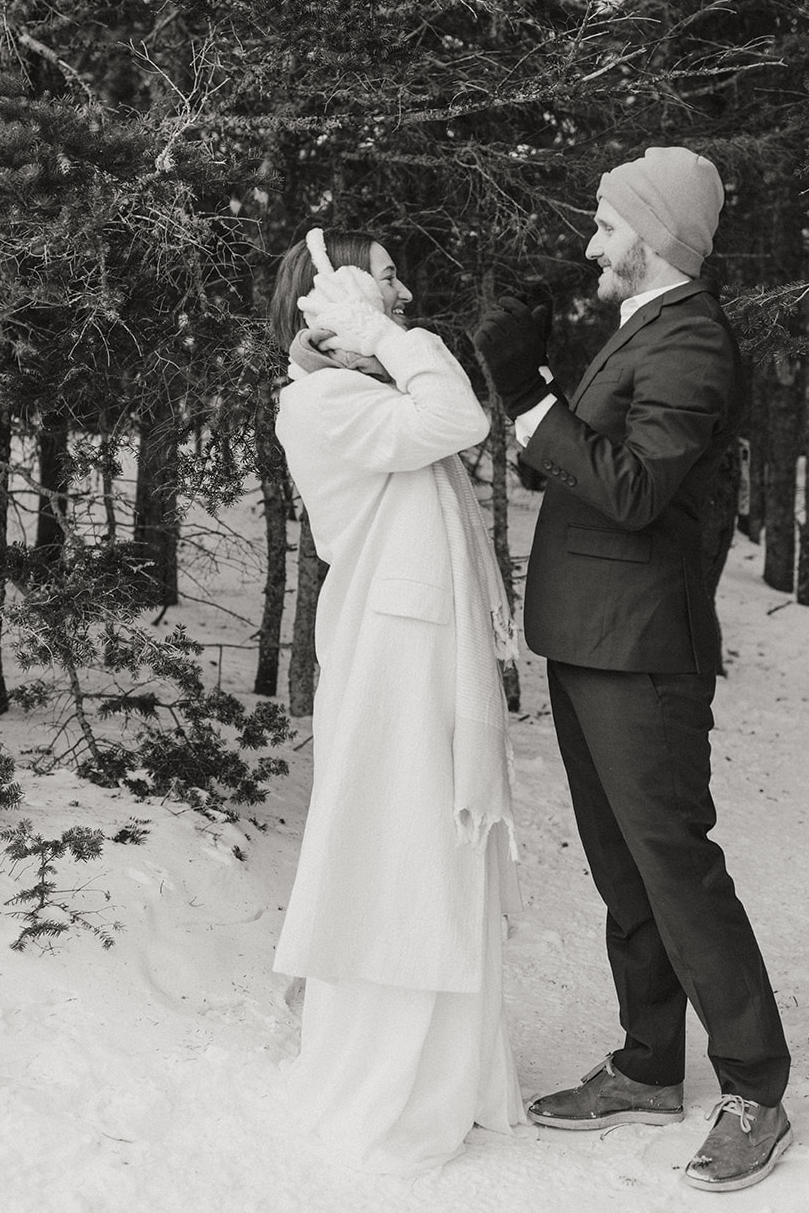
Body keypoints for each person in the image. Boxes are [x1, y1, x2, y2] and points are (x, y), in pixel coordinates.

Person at [473, 148, 792, 1194]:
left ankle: (754, 1086)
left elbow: (636, 489)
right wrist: (536, 397)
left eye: (605, 225)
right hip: (590, 637)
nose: (589, 243)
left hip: (641, 648)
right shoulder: (639, 330)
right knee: (623, 869)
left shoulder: (691, 337)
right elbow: (560, 460)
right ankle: (651, 1064)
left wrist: (527, 391)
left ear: (651, 235)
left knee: (674, 867)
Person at [269, 226, 524, 1177]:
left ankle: (450, 1079)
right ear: (337, 295)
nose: (403, 291)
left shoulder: (356, 386)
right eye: (381, 280)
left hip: (413, 649)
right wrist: (376, 337)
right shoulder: (329, 399)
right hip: (393, 657)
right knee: (403, 858)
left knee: (435, 854)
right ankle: (390, 1090)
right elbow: (461, 419)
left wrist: (376, 339)